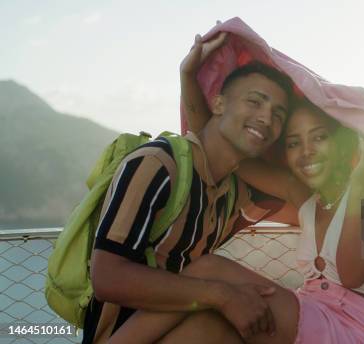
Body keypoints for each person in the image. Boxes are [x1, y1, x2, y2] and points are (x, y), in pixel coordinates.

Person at [108, 74, 364, 343]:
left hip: (354, 332)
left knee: (210, 269)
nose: (306, 151)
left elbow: (351, 275)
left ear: (342, 144)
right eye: (293, 143)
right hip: (313, 317)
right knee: (207, 329)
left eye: (319, 137)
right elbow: (217, 139)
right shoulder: (307, 200)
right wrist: (187, 75)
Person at [84, 33, 295, 344]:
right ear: (219, 104)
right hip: (120, 334)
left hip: (179, 326)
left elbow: (308, 198)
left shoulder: (233, 193)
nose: (266, 118)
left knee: (271, 314)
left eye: (279, 115)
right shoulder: (157, 164)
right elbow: (107, 277)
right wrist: (222, 295)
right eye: (254, 101)